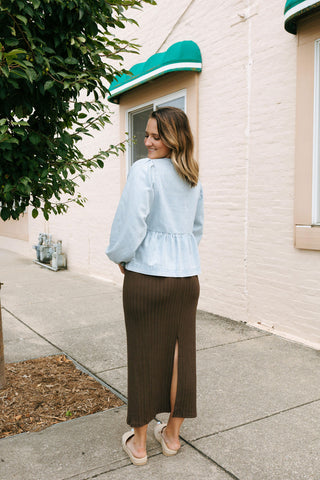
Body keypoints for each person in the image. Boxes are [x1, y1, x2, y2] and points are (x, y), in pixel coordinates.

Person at [106, 106, 204, 466]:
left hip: (146, 277)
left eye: (156, 136)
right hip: (186, 280)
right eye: (146, 134)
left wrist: (120, 256)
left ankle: (139, 443)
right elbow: (196, 230)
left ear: (174, 138)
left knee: (144, 355)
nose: (147, 142)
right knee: (182, 357)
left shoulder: (144, 171)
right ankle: (173, 436)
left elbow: (131, 223)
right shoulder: (192, 177)